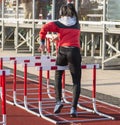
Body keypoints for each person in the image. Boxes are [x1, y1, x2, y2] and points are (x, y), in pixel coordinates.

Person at [38, 3, 81, 117]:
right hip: (74, 52)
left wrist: (42, 43)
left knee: (58, 75)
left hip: (62, 52)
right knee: (76, 81)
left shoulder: (59, 23)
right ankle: (73, 108)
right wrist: (58, 36)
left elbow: (44, 28)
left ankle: (58, 101)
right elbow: (71, 34)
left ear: (62, 13)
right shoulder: (77, 23)